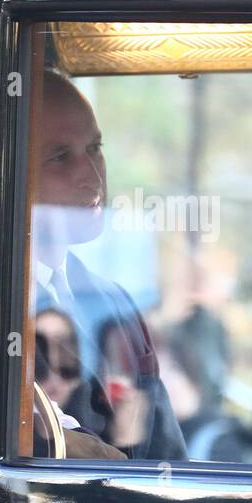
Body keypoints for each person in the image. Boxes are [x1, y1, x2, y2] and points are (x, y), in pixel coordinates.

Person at [31, 71, 188, 461]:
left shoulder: (113, 302)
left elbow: (165, 457)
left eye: (95, 148)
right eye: (59, 157)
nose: (92, 174)